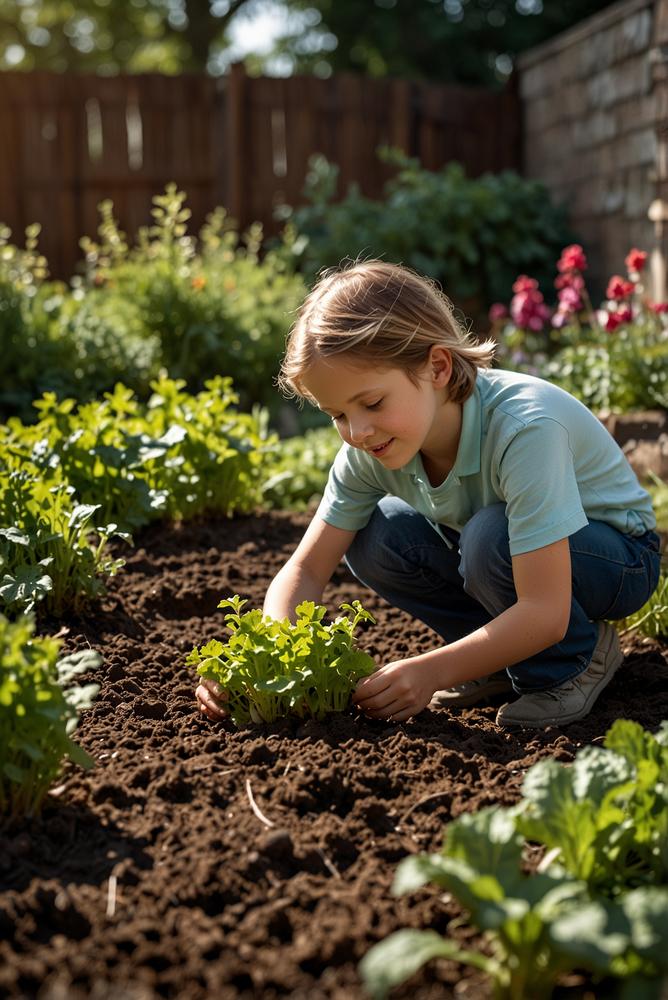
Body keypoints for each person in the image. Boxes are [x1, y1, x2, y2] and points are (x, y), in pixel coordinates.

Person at [196, 260, 661, 729]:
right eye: (337, 414)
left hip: (618, 560)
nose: (357, 431)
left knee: (488, 537)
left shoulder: (524, 430)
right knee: (377, 534)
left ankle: (571, 662)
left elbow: (544, 610)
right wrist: (262, 663)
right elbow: (306, 568)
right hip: (509, 555)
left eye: (373, 402)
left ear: (437, 366)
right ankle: (494, 662)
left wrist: (432, 670)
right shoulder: (369, 446)